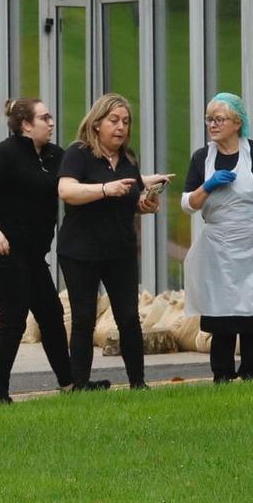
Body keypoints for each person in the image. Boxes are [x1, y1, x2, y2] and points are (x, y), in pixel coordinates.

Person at [182, 92, 253, 381]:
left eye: (219, 119)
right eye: (209, 119)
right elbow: (187, 205)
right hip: (219, 248)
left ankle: (252, 373)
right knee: (221, 313)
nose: (212, 125)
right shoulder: (202, 159)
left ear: (237, 122)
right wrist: (207, 186)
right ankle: (221, 375)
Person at [57, 94, 170, 390]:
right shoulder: (78, 154)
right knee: (84, 318)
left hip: (119, 250)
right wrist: (106, 189)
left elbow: (128, 199)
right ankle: (79, 385)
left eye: (126, 122)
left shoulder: (129, 159)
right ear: (96, 124)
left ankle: (138, 383)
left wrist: (145, 204)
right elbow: (67, 191)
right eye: (114, 120)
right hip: (80, 251)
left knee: (129, 317)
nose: (121, 127)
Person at [0, 97, 73, 403]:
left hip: (32, 251)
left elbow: (82, 179)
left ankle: (69, 385)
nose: (51, 123)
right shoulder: (2, 155)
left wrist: (136, 183)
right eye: (45, 118)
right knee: (13, 317)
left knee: (51, 313)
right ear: (26, 125)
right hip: (2, 248)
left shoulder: (54, 156)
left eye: (51, 118)